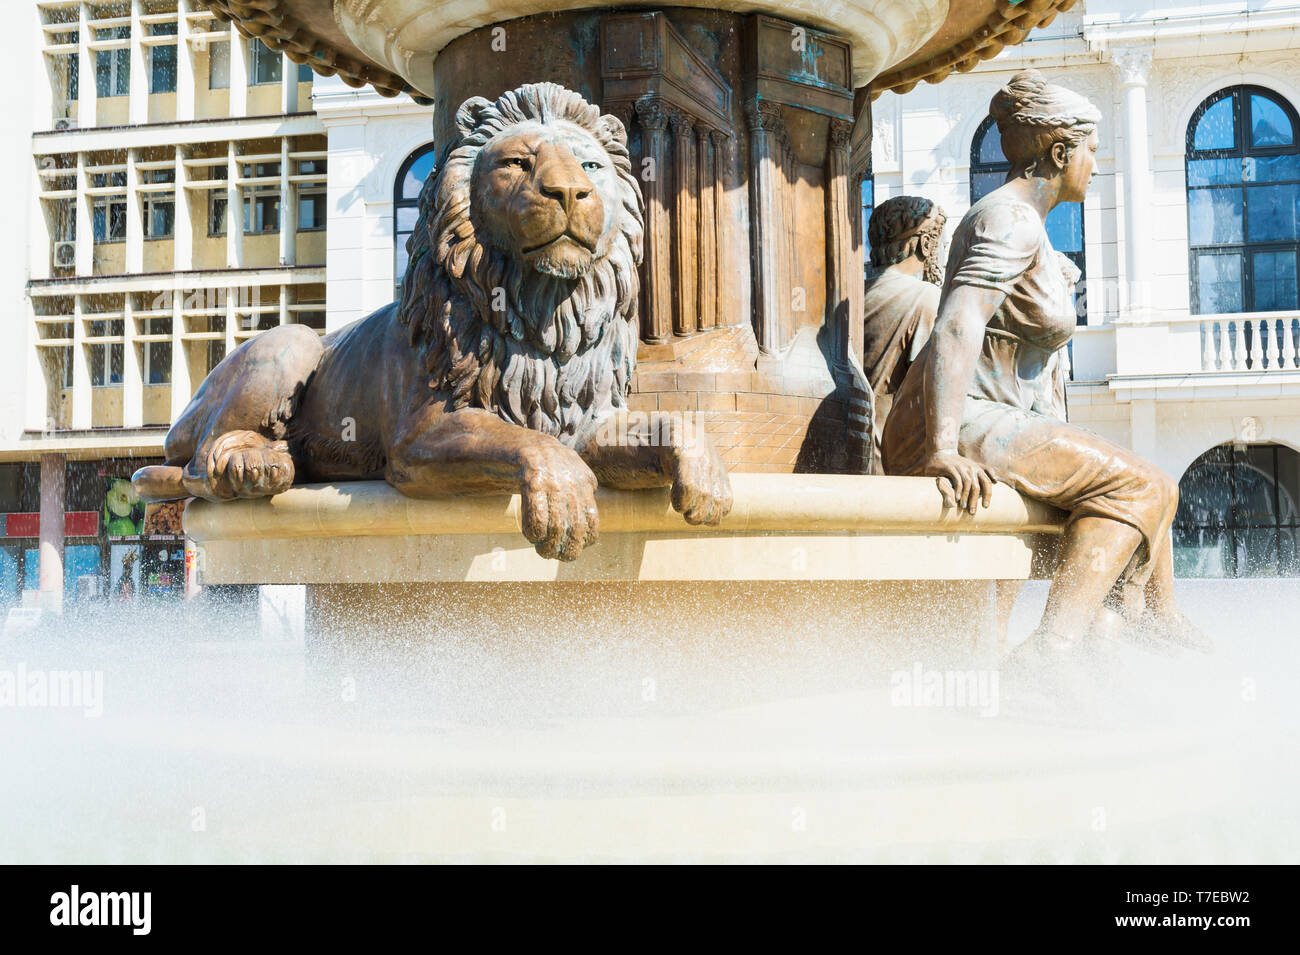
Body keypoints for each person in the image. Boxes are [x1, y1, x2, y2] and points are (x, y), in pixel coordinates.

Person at [881, 69, 1209, 662]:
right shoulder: (1009, 219)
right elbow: (957, 324)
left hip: (994, 421)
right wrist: (942, 447)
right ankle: (1054, 653)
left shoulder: (1031, 229)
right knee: (1139, 488)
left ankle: (1127, 625)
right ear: (1059, 152)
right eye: (1090, 150)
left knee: (1155, 490)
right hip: (958, 424)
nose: (1095, 163)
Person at [862, 196, 947, 467]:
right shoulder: (926, 298)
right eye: (941, 244)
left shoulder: (850, 296)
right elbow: (935, 389)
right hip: (893, 458)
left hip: (849, 448)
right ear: (926, 244)